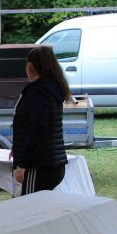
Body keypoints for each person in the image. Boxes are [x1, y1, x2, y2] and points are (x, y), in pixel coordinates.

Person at [11, 45, 71, 195]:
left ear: (31, 66)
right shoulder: (53, 88)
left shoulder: (37, 92)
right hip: (53, 162)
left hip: (39, 165)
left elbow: (37, 131)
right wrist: (18, 149)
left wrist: (23, 164)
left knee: (29, 206)